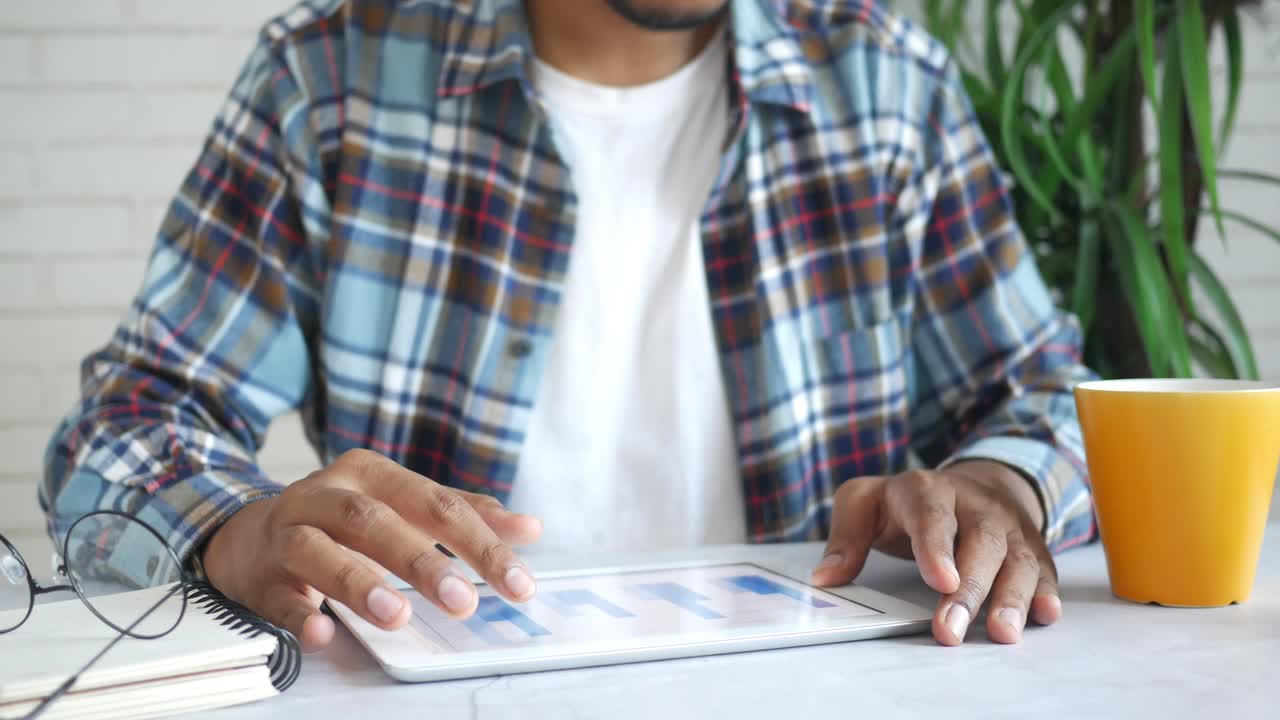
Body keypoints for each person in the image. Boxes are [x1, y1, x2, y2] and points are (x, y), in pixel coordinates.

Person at [41, 0, 1097, 653]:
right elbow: (125, 426)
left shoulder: (884, 89)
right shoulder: (328, 81)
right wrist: (234, 532)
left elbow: (1054, 398)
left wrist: (999, 489)